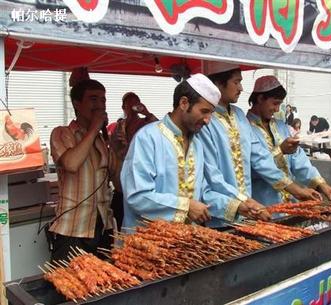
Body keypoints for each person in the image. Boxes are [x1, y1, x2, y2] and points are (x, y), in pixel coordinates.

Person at [198, 63, 322, 226]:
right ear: (219, 84)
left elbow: (260, 158)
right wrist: (242, 203)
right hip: (222, 213)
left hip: (251, 211)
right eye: (236, 82)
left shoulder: (239, 115)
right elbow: (212, 176)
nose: (241, 88)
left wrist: (297, 189)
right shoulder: (206, 121)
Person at [120, 74, 220, 228]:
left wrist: (238, 205)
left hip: (187, 244)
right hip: (145, 245)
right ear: (184, 103)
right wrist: (185, 207)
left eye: (210, 114)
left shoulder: (197, 144)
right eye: (204, 111)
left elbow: (203, 193)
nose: (208, 120)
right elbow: (137, 196)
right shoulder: (147, 138)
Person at [49, 79, 118, 260]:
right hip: (73, 228)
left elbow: (117, 180)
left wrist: (115, 146)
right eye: (93, 99)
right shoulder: (62, 133)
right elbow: (71, 164)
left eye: (103, 100)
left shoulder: (102, 140)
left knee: (104, 284)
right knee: (69, 285)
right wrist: (94, 128)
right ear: (77, 104)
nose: (100, 105)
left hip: (102, 226)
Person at [247, 75, 331, 205]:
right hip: (262, 204)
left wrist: (321, 185)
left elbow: (298, 159)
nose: (277, 109)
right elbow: (254, 166)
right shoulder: (245, 128)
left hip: (288, 203)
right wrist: (280, 151)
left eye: (279, 104)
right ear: (260, 98)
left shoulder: (281, 126)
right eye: (275, 103)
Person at [109, 92, 158, 230]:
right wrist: (119, 144)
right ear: (123, 107)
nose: (131, 108)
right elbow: (114, 150)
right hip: (121, 186)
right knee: (119, 226)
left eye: (135, 104)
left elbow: (161, 130)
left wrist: (147, 113)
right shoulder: (119, 125)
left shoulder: (145, 123)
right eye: (128, 105)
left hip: (140, 183)